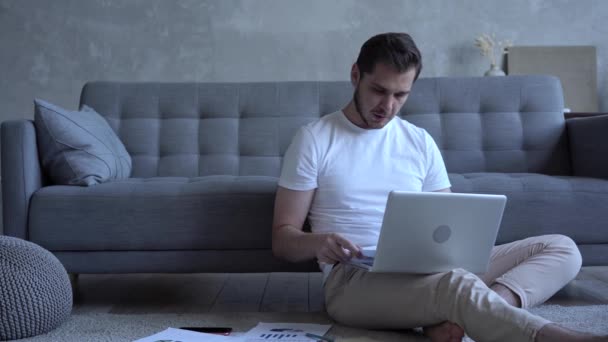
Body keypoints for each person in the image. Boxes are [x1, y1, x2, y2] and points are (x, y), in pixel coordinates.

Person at [271, 32, 608, 342]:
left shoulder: (418, 141)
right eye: (379, 90)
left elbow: (448, 225)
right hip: (353, 280)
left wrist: (456, 257)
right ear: (356, 75)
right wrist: (320, 242)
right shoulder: (315, 139)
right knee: (456, 285)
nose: (387, 106)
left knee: (562, 248)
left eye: (400, 94)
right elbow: (283, 240)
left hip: (428, 268)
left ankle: (482, 309)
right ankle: (557, 338)